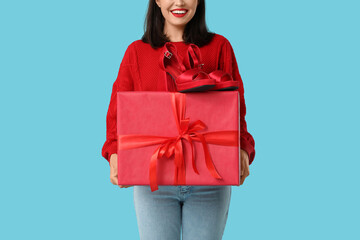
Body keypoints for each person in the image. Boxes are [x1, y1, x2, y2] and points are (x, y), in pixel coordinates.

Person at [101, 0, 255, 239]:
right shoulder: (136, 52)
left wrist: (243, 147)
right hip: (153, 181)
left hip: (211, 179)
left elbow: (236, 106)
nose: (179, 2)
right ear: (158, 1)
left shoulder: (220, 47)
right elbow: (117, 111)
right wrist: (114, 152)